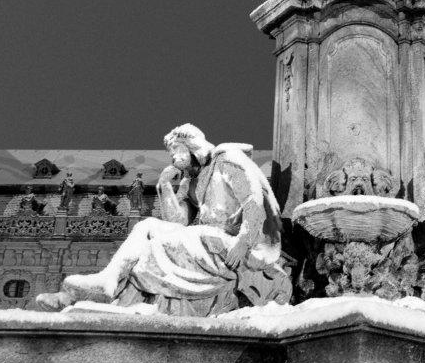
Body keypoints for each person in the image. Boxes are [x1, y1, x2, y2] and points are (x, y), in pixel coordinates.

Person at [35, 124, 289, 317]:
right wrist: (165, 185)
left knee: (147, 228)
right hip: (207, 242)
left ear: (192, 146)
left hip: (233, 244)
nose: (173, 158)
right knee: (146, 243)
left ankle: (106, 284)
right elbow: (177, 222)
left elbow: (254, 202)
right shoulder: (192, 179)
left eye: (176, 151)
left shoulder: (228, 161)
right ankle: (98, 297)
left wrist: (244, 241)